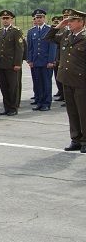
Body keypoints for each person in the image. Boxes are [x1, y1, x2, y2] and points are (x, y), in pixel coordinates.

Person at [45, 10, 86, 152]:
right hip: (66, 79)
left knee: (83, 112)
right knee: (72, 112)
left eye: (72, 20)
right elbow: (48, 38)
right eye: (68, 20)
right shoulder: (66, 34)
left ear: (81, 22)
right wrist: (59, 26)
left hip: (81, 81)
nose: (69, 23)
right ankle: (76, 139)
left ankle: (85, 141)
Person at [0, 10, 25, 116]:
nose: (5, 20)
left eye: (7, 18)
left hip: (12, 64)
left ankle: (13, 108)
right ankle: (6, 107)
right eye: (3, 18)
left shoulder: (16, 31)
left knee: (13, 87)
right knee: (4, 87)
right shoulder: (0, 31)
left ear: (12, 19)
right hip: (2, 64)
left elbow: (19, 49)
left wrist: (18, 63)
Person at [27, 9, 56, 111]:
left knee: (46, 83)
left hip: (46, 62)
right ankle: (39, 102)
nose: (38, 19)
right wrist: (30, 60)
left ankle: (46, 103)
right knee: (38, 83)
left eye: (41, 17)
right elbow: (30, 47)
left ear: (44, 18)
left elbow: (52, 46)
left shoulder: (50, 30)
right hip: (36, 62)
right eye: (37, 18)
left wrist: (51, 61)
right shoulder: (32, 31)